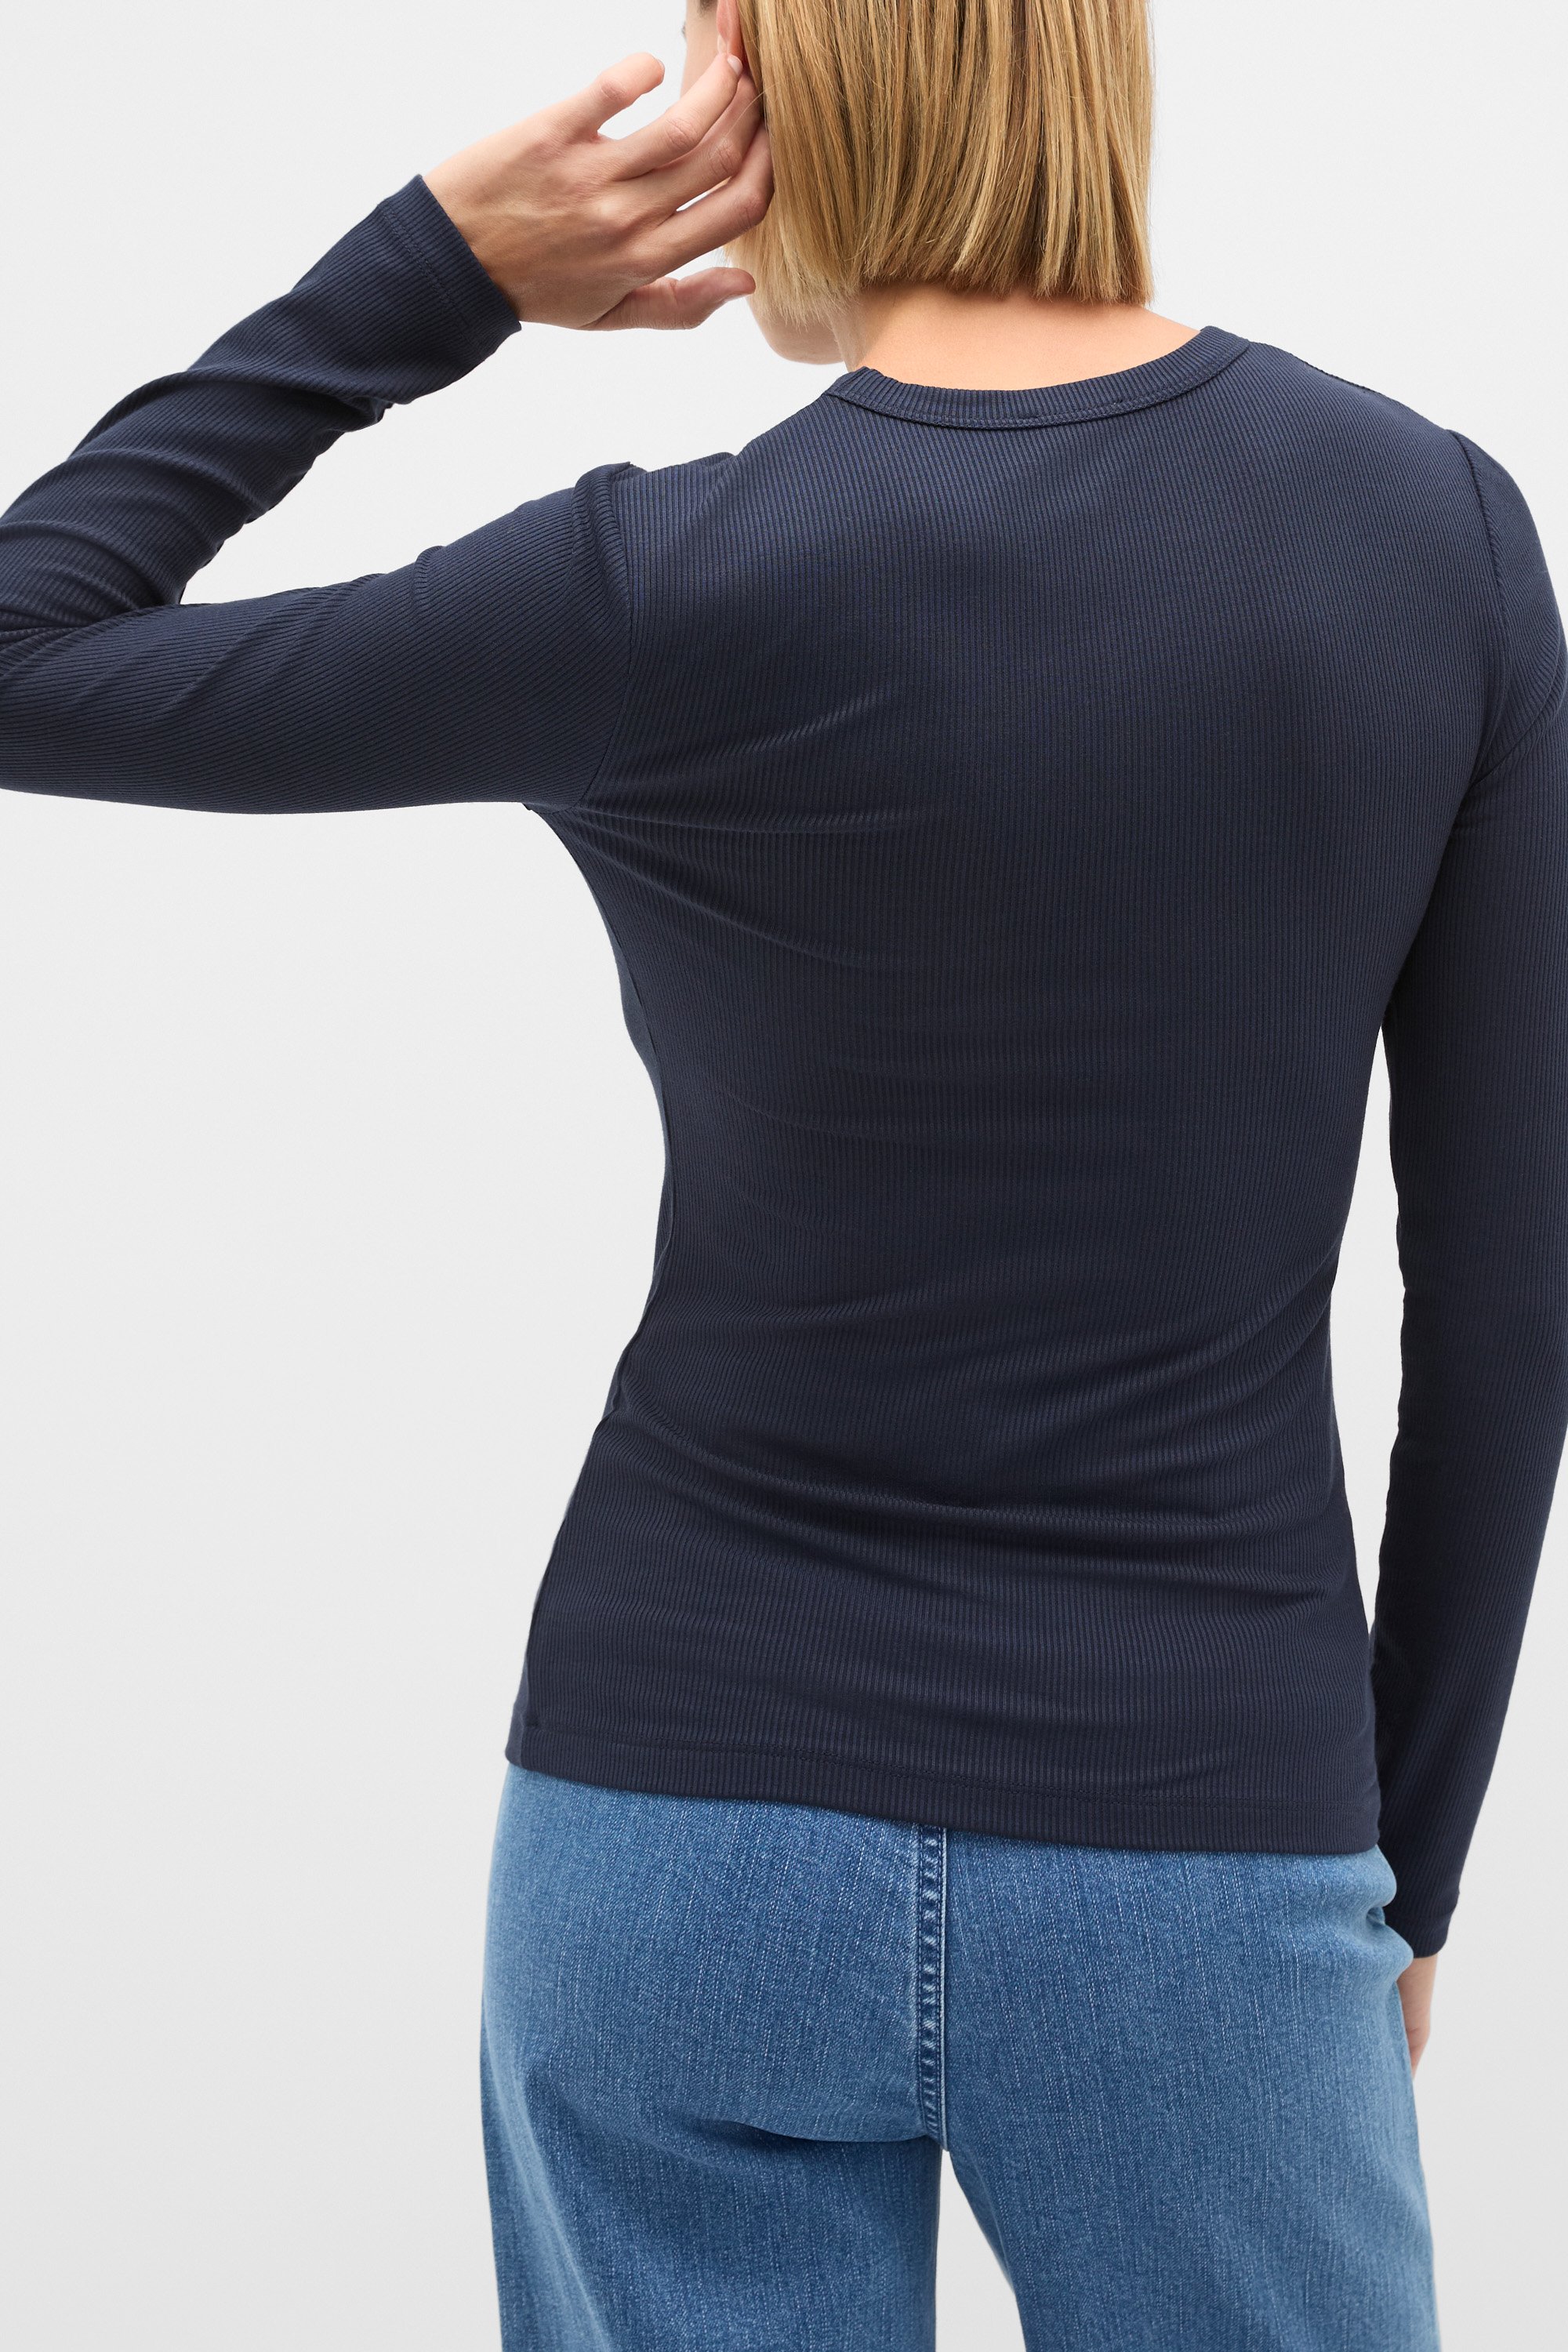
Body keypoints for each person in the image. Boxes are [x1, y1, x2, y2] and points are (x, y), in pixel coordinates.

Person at [0, 0, 1562, 2342]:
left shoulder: (661, 580)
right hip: (1199, 1831)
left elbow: (25, 646)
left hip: (678, 1826)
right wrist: (1400, 1873)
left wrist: (429, 272)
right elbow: (1510, 1308)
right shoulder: (1427, 535)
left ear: (765, 77)